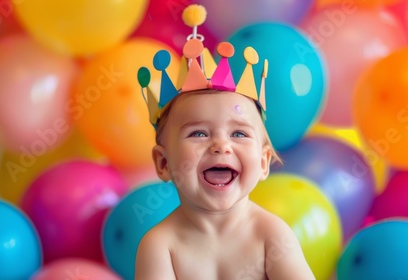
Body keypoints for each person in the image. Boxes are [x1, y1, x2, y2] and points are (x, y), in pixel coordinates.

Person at [134, 5, 314, 280]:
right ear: (163, 163)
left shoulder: (271, 235)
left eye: (239, 134)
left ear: (264, 162)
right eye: (199, 133)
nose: (221, 145)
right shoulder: (160, 245)